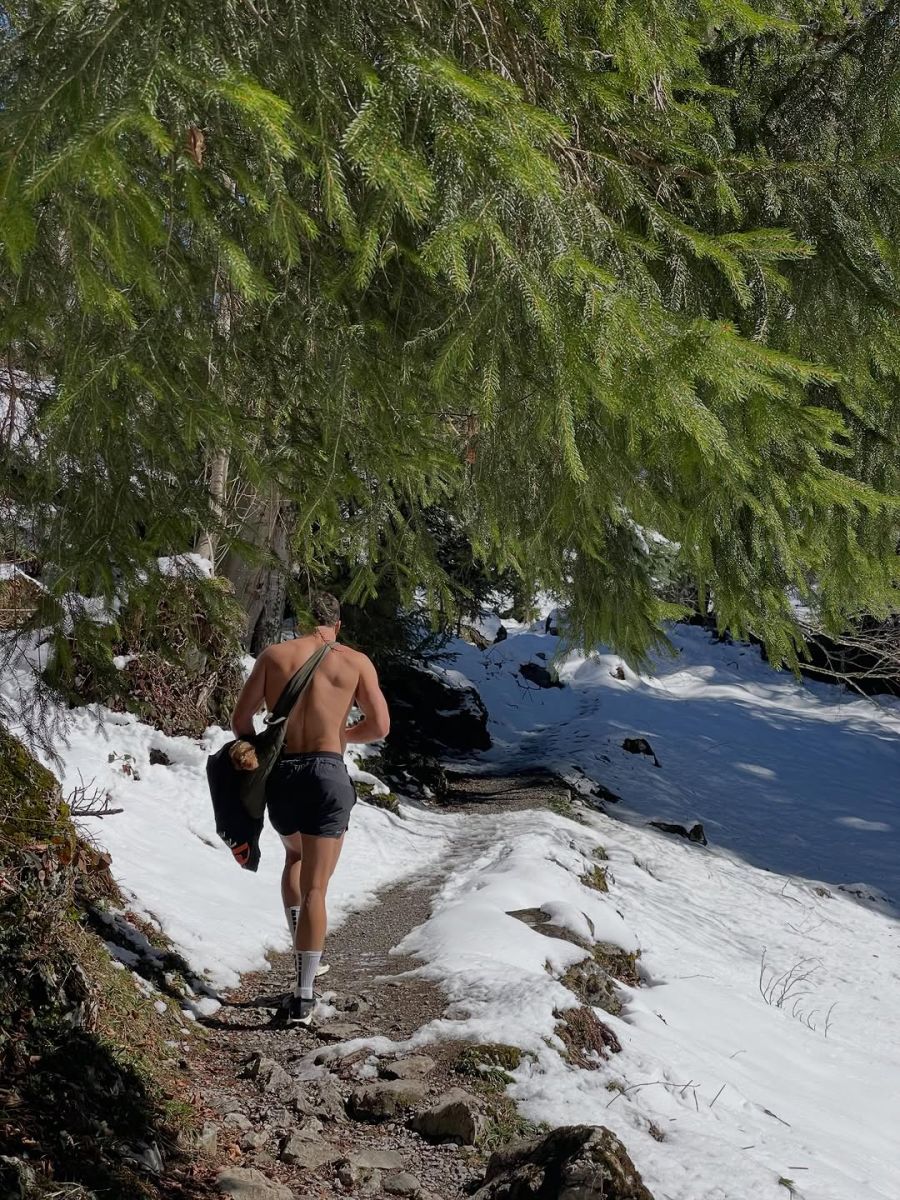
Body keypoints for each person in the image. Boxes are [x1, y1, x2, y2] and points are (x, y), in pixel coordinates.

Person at [230, 592, 390, 1026]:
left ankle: (302, 954)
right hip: (327, 773)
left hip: (282, 774)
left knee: (294, 857)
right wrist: (342, 736)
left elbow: (240, 721)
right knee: (317, 887)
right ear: (337, 625)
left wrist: (261, 750)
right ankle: (303, 995)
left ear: (305, 621)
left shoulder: (274, 656)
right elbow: (380, 725)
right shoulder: (355, 662)